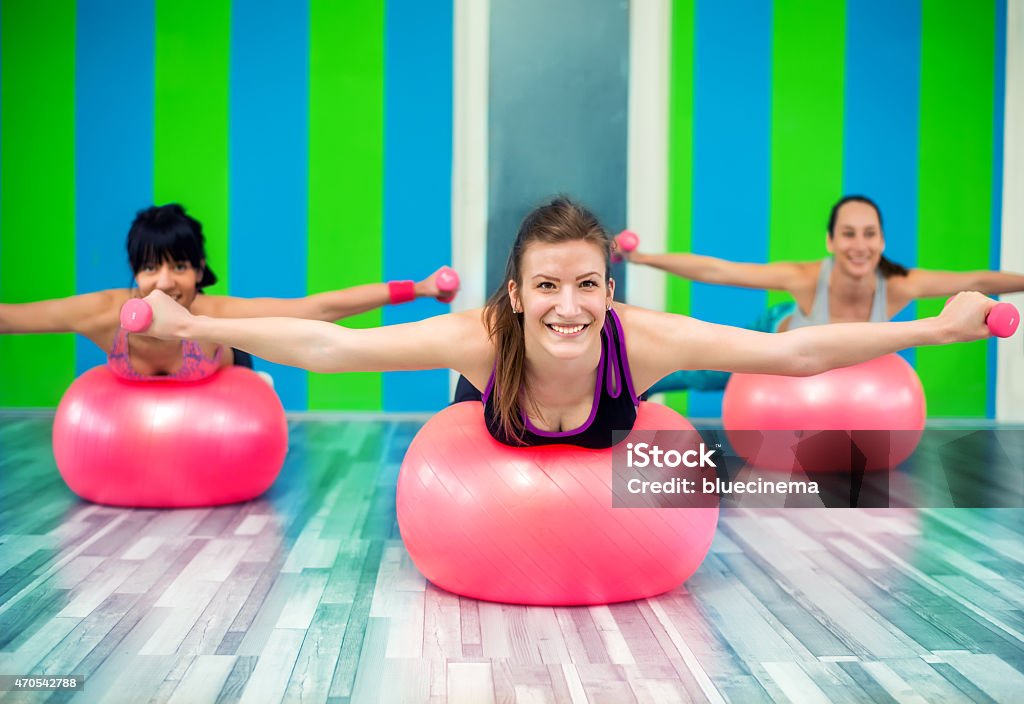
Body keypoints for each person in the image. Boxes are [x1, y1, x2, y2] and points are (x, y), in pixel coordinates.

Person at [131, 197, 1000, 447]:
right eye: (546, 286)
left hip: (618, 426)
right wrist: (179, 326)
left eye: (588, 284)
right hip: (498, 433)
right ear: (515, 294)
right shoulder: (482, 335)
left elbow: (797, 351)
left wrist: (937, 329)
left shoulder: (642, 337)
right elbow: (328, 345)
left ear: (610, 289)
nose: (569, 305)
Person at [0, 203, 453, 380]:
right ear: (135, 274)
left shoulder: (216, 313)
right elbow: (11, 319)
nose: (163, 282)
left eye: (179, 266)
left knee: (260, 373)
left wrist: (418, 288)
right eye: (150, 268)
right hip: (141, 428)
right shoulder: (102, 314)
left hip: (227, 387)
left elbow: (318, 309)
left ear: (199, 271)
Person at [625, 195, 1024, 393]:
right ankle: (615, 390)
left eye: (869, 234)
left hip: (825, 375)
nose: (859, 245)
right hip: (774, 340)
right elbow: (719, 271)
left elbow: (980, 281)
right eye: (848, 234)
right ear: (831, 241)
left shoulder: (900, 285)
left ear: (882, 241)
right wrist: (643, 258)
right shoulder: (806, 277)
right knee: (693, 374)